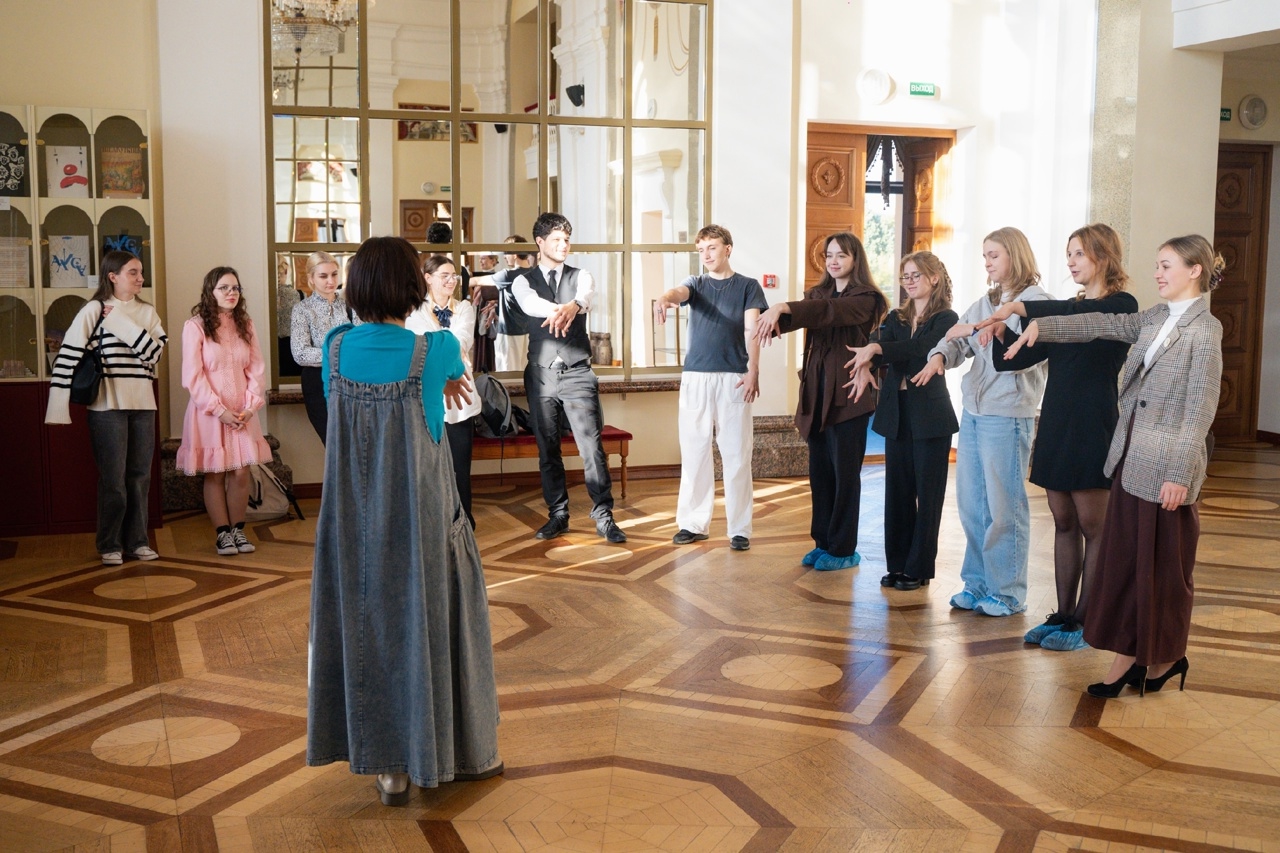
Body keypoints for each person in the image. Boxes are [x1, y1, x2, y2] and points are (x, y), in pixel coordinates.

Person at [307, 236, 501, 804]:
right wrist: (443, 380)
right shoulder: (435, 347)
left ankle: (386, 766)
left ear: (358, 288)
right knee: (430, 625)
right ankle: (444, 753)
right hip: (421, 520)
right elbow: (453, 385)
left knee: (365, 627)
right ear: (412, 287)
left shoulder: (335, 348)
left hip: (351, 521)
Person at [1001, 234, 1223, 698]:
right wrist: (1042, 327)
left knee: (1165, 570)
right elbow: (1103, 323)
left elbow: (1199, 410)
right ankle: (1141, 657)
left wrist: (1179, 475)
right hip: (1132, 456)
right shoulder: (1156, 316)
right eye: (1157, 264)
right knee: (1129, 564)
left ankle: (1157, 657)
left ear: (1194, 270)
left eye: (1166, 265)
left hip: (1168, 468)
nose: (1157, 273)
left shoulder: (1204, 330)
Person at [977, 224, 1138, 651]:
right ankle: (1064, 615)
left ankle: (1086, 622)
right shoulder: (1068, 309)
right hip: (1057, 423)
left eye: (1079, 253)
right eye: (1068, 254)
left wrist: (1021, 308)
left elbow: (1077, 320)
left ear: (1103, 255)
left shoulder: (1122, 305)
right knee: (1064, 522)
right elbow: (1015, 360)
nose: (1070, 261)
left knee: (1094, 526)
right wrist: (1001, 330)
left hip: (1092, 424)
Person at [913, 226, 1049, 616]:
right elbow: (957, 339)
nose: (987, 263)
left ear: (1015, 256)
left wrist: (980, 328)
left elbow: (1020, 354)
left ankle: (1007, 592)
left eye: (994, 255)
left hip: (1008, 413)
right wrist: (940, 356)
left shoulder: (1037, 302)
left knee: (1005, 508)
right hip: (974, 410)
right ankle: (977, 584)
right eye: (985, 256)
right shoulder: (987, 301)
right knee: (973, 505)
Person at [754, 231, 886, 565]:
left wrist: (783, 306)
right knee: (821, 475)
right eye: (829, 255)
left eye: (841, 255)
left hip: (849, 396)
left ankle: (843, 549)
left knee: (845, 477)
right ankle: (823, 542)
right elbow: (806, 313)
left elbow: (829, 312)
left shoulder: (866, 297)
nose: (833, 261)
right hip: (816, 395)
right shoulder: (817, 293)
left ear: (855, 259)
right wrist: (767, 319)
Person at [845, 251, 958, 589]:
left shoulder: (946, 318)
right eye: (904, 276)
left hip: (931, 417)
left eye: (915, 275)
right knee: (897, 492)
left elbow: (921, 348)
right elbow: (877, 340)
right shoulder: (896, 316)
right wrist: (869, 358)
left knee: (928, 495)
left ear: (933, 278)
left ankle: (918, 568)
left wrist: (877, 351)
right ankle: (897, 564)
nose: (908, 281)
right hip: (897, 412)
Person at [45, 250, 167, 565]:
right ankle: (109, 544)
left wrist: (119, 322)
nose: (140, 278)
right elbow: (68, 354)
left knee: (139, 478)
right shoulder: (93, 309)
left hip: (143, 405)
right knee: (113, 480)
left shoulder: (147, 312)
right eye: (133, 272)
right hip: (106, 406)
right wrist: (57, 406)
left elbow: (154, 354)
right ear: (112, 276)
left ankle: (137, 542)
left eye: (141, 272)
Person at [512, 212, 626, 543]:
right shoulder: (522, 281)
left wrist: (575, 305)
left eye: (567, 240)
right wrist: (565, 309)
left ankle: (604, 516)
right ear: (540, 242)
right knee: (548, 450)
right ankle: (558, 515)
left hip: (578, 372)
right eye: (557, 240)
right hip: (541, 374)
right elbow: (531, 306)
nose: (564, 245)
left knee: (592, 448)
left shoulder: (581, 276)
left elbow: (586, 297)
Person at [654, 225, 767, 551]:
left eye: (712, 247)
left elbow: (752, 330)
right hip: (696, 379)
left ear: (727, 248)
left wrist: (753, 370)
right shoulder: (696, 283)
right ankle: (692, 524)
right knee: (694, 453)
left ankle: (740, 529)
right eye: (701, 249)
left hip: (734, 378)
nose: (706, 254)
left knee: (737, 454)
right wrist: (665, 298)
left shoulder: (748, 286)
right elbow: (679, 293)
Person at [176, 267, 272, 556]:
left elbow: (256, 368)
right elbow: (192, 376)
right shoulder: (195, 326)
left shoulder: (246, 324)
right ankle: (222, 534)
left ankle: (239, 530)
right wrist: (219, 411)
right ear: (211, 291)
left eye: (235, 288)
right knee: (216, 473)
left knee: (241, 473)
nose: (231, 293)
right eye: (224, 288)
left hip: (242, 412)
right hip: (209, 413)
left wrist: (251, 406)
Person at [407, 253, 481, 528]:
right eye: (445, 275)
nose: (451, 281)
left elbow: (460, 342)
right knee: (428, 467)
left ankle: (465, 522)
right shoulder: (413, 311)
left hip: (461, 397)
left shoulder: (464, 308)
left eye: (454, 276)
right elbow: (419, 348)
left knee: (460, 467)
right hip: (428, 398)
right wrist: (442, 344)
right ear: (428, 278)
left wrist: (437, 343)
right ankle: (433, 524)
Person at [290, 251, 354, 444]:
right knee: (332, 442)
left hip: (350, 379)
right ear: (311, 278)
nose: (330, 281)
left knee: (354, 442)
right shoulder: (302, 309)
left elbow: (361, 343)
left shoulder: (351, 306)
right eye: (323, 276)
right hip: (317, 381)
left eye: (334, 274)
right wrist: (340, 353)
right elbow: (300, 353)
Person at [425, 220, 470, 299]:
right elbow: (462, 297)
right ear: (450, 244)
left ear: (426, 243)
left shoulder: (420, 273)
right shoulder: (461, 271)